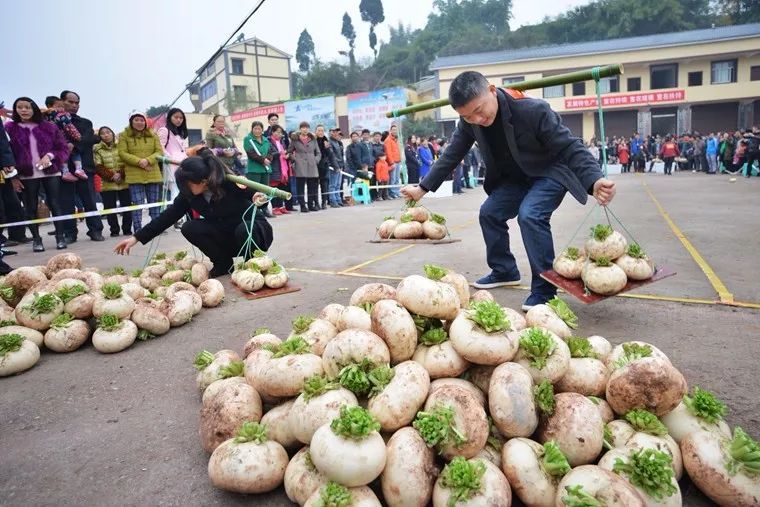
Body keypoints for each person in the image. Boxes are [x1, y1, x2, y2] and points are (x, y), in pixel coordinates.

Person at [401, 71, 615, 310]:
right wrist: (422, 188)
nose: (477, 119)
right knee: (489, 213)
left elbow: (569, 145)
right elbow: (452, 153)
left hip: (549, 172)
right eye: (468, 116)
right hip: (516, 178)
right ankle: (504, 270)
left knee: (531, 215)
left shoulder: (532, 110)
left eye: (479, 110)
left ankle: (545, 289)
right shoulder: (469, 122)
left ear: (492, 90)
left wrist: (594, 180)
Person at [114, 148, 273, 277]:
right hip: (226, 234)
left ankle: (252, 266)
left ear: (203, 182)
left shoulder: (229, 182)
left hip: (252, 232)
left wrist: (257, 197)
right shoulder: (189, 195)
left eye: (186, 184)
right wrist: (136, 237)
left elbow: (253, 193)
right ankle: (223, 263)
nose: (184, 188)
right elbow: (167, 217)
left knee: (244, 229)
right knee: (189, 227)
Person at [4, 97, 70, 251]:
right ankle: (36, 239)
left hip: (51, 172)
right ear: (15, 110)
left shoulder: (49, 127)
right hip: (26, 174)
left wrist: (50, 156)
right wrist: (13, 177)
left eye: (27, 107)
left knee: (55, 204)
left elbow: (62, 148)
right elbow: (6, 154)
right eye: (20, 107)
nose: (24, 110)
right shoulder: (9, 128)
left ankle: (60, 238)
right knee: (31, 207)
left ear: (34, 108)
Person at [59, 90, 104, 243]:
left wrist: (73, 146)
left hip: (85, 168)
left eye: (76, 103)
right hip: (64, 168)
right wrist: (64, 148)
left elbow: (86, 140)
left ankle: (95, 230)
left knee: (90, 201)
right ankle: (70, 233)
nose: (74, 105)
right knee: (66, 203)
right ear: (62, 102)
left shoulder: (85, 122)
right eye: (70, 102)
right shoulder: (53, 121)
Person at [118, 112, 163, 233]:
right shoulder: (123, 135)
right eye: (136, 120)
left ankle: (156, 227)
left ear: (145, 122)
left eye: (142, 120)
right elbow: (122, 153)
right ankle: (138, 228)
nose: (139, 122)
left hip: (152, 173)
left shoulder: (153, 135)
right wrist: (139, 162)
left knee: (154, 203)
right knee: (137, 203)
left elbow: (159, 152)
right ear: (131, 121)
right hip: (134, 175)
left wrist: (148, 160)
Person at [94, 126, 132, 236]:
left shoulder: (122, 146)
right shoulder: (97, 149)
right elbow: (98, 166)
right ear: (100, 136)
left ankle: (127, 229)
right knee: (110, 209)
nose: (106, 135)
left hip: (124, 182)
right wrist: (112, 176)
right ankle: (114, 230)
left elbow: (127, 161)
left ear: (112, 133)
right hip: (107, 183)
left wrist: (121, 174)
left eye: (108, 132)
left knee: (127, 207)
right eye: (102, 133)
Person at [44, 96, 84, 181]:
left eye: (62, 106)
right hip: (63, 139)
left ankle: (65, 172)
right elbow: (69, 126)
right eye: (59, 106)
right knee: (75, 153)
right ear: (49, 106)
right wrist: (77, 136)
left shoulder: (45, 117)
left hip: (53, 142)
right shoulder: (61, 115)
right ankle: (79, 169)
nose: (61, 108)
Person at [243, 120, 275, 218]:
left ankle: (264, 209)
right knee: (254, 191)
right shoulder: (248, 139)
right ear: (252, 129)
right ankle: (254, 211)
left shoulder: (265, 139)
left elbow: (270, 151)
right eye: (255, 129)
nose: (257, 131)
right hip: (254, 169)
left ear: (262, 130)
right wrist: (262, 160)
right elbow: (251, 153)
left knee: (265, 190)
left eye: (259, 129)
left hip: (265, 169)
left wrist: (268, 159)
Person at [157, 108, 189, 202]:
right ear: (170, 117)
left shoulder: (181, 133)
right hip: (171, 165)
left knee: (182, 191)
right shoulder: (164, 130)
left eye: (181, 118)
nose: (179, 120)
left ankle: (183, 215)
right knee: (175, 191)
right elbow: (160, 148)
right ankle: (176, 215)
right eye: (176, 117)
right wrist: (169, 158)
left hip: (182, 164)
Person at [288, 121, 321, 212]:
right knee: (300, 187)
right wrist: (295, 159)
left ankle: (311, 205)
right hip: (300, 165)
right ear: (300, 129)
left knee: (312, 187)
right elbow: (289, 151)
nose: (305, 129)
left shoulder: (313, 139)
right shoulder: (295, 139)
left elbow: (318, 152)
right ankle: (303, 206)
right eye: (303, 127)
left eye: (306, 127)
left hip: (312, 165)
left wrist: (316, 160)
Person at [267, 125, 291, 215]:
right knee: (274, 189)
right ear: (272, 132)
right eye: (277, 132)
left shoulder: (281, 142)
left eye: (280, 132)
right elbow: (270, 154)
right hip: (274, 167)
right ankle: (274, 208)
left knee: (281, 187)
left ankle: (281, 206)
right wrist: (279, 153)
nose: (279, 134)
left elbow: (284, 152)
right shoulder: (269, 142)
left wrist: (286, 155)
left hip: (282, 168)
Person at [315, 125, 335, 209]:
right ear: (315, 131)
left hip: (324, 166)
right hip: (315, 166)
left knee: (324, 186)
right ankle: (316, 203)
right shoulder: (313, 140)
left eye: (322, 131)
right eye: (319, 130)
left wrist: (327, 148)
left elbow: (330, 155)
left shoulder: (326, 140)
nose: (320, 132)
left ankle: (324, 202)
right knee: (315, 186)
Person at [328, 127, 345, 207]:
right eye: (333, 132)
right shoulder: (329, 142)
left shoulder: (338, 142)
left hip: (339, 166)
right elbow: (332, 156)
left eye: (336, 132)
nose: (335, 134)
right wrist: (336, 166)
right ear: (331, 133)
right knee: (333, 185)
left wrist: (341, 165)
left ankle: (338, 200)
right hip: (334, 166)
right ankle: (333, 200)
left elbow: (340, 155)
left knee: (338, 184)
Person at [384, 124, 402, 198]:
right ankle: (392, 193)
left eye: (396, 130)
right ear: (390, 131)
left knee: (397, 178)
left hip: (398, 161)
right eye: (393, 129)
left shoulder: (396, 139)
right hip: (393, 162)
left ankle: (396, 192)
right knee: (393, 178)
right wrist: (391, 162)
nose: (395, 131)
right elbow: (388, 152)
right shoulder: (388, 140)